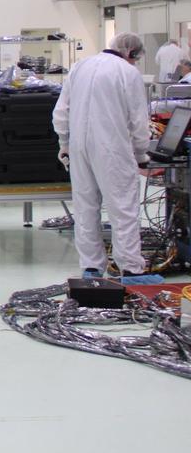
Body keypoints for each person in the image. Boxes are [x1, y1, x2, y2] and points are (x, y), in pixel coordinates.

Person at [52, 33, 164, 285]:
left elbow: (61, 111)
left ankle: (91, 268)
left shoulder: (80, 66)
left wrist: (64, 142)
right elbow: (138, 119)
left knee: (85, 207)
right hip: (112, 149)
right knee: (123, 208)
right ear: (131, 53)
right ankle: (131, 270)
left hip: (79, 148)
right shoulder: (128, 72)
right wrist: (141, 154)